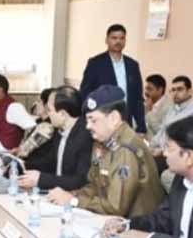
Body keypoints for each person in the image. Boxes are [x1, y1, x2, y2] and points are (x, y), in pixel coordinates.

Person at [49, 85, 164, 217]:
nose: (88, 126)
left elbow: (116, 207)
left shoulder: (125, 149)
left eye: (93, 120)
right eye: (87, 120)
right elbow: (94, 185)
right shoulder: (102, 142)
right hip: (112, 220)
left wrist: (74, 201)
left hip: (137, 224)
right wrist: (72, 195)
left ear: (114, 118)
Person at [18, 86, 93, 191]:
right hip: (56, 191)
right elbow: (50, 162)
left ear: (62, 114)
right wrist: (21, 165)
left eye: (49, 110)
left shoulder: (86, 136)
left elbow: (79, 180)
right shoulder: (60, 130)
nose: (47, 114)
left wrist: (41, 179)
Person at [79, 24, 146, 133]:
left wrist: (141, 126)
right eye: (114, 38)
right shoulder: (95, 63)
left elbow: (138, 99)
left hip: (125, 121)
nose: (118, 41)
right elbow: (85, 93)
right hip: (102, 119)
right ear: (107, 40)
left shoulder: (132, 65)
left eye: (122, 38)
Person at [150, 76, 193, 154]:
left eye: (180, 89)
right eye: (173, 90)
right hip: (161, 152)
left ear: (190, 91)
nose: (175, 93)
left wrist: (162, 151)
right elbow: (162, 132)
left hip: (178, 156)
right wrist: (150, 146)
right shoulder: (172, 109)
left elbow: (190, 143)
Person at [16, 88, 56, 164]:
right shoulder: (38, 121)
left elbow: (24, 151)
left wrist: (17, 151)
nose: (36, 104)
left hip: (33, 165)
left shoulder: (47, 126)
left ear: (47, 105)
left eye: (39, 101)